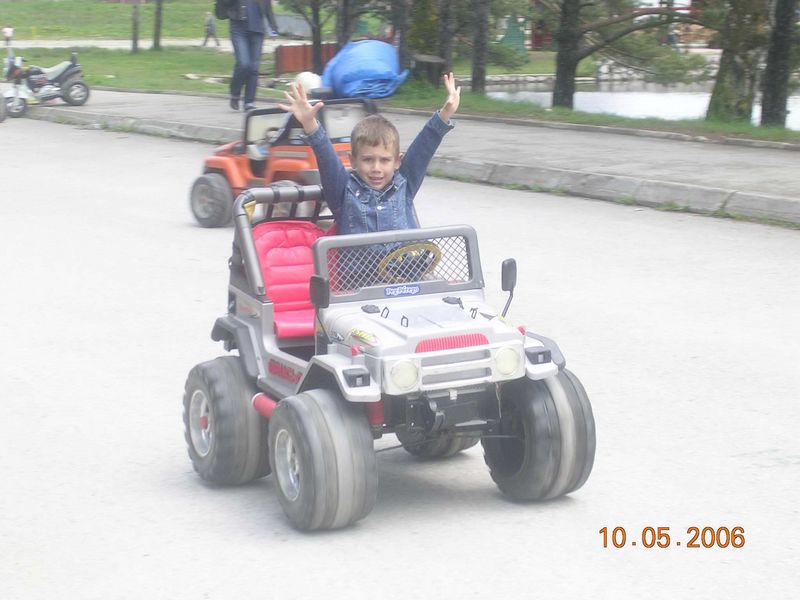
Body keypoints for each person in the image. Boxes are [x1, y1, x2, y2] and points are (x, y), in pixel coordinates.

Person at [277, 72, 461, 236]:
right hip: (358, 266)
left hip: (405, 265)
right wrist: (309, 123)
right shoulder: (343, 191)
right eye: (368, 160)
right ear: (353, 160)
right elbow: (326, 156)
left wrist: (445, 114)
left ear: (397, 161)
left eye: (385, 160)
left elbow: (423, 148)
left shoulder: (404, 185)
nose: (376, 168)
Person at [225, 0, 277, 111]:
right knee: (244, 64)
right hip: (238, 27)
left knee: (254, 68)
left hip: (257, 29)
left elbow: (267, 7)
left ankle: (249, 102)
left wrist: (273, 27)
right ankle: (235, 92)